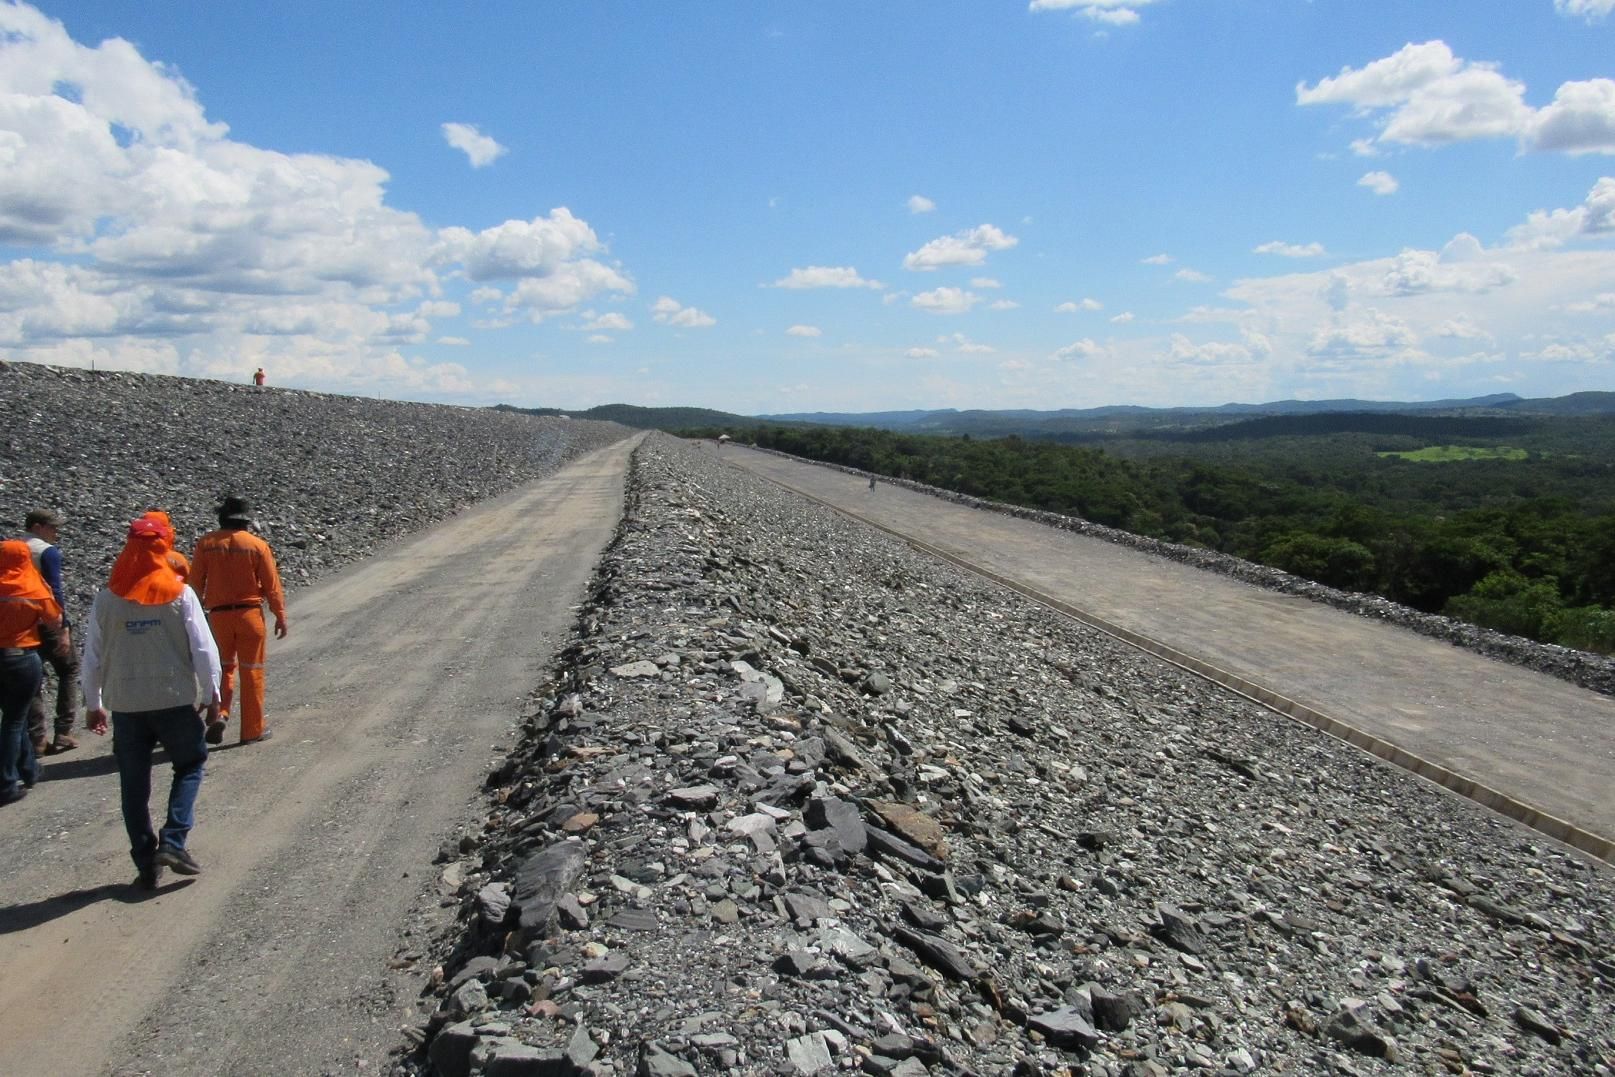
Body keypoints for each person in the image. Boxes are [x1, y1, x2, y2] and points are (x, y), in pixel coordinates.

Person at [81, 516, 221, 888]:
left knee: (133, 783)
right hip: (173, 698)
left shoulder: (106, 599)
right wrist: (211, 695)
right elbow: (203, 649)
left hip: (125, 705)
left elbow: (93, 656)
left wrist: (93, 702)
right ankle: (173, 841)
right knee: (190, 763)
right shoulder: (180, 593)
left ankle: (145, 860)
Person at [189, 496, 287, 746]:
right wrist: (280, 615)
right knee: (252, 671)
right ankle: (252, 730)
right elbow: (272, 585)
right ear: (246, 521)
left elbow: (194, 586)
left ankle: (221, 712)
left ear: (222, 518)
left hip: (219, 617)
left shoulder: (206, 544)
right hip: (249, 615)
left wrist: (191, 619)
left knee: (222, 668)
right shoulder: (257, 545)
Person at [0, 540, 64, 805]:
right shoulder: (30, 584)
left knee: (15, 716)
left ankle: (29, 769)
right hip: (22, 655)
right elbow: (55, 619)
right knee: (15, 719)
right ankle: (6, 782)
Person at [19, 509, 79, 756]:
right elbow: (55, 590)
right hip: (47, 622)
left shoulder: (13, 548)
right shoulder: (46, 551)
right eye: (52, 527)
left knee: (32, 678)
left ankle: (37, 739)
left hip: (20, 624)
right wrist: (63, 626)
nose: (56, 532)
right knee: (69, 668)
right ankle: (63, 730)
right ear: (37, 526)